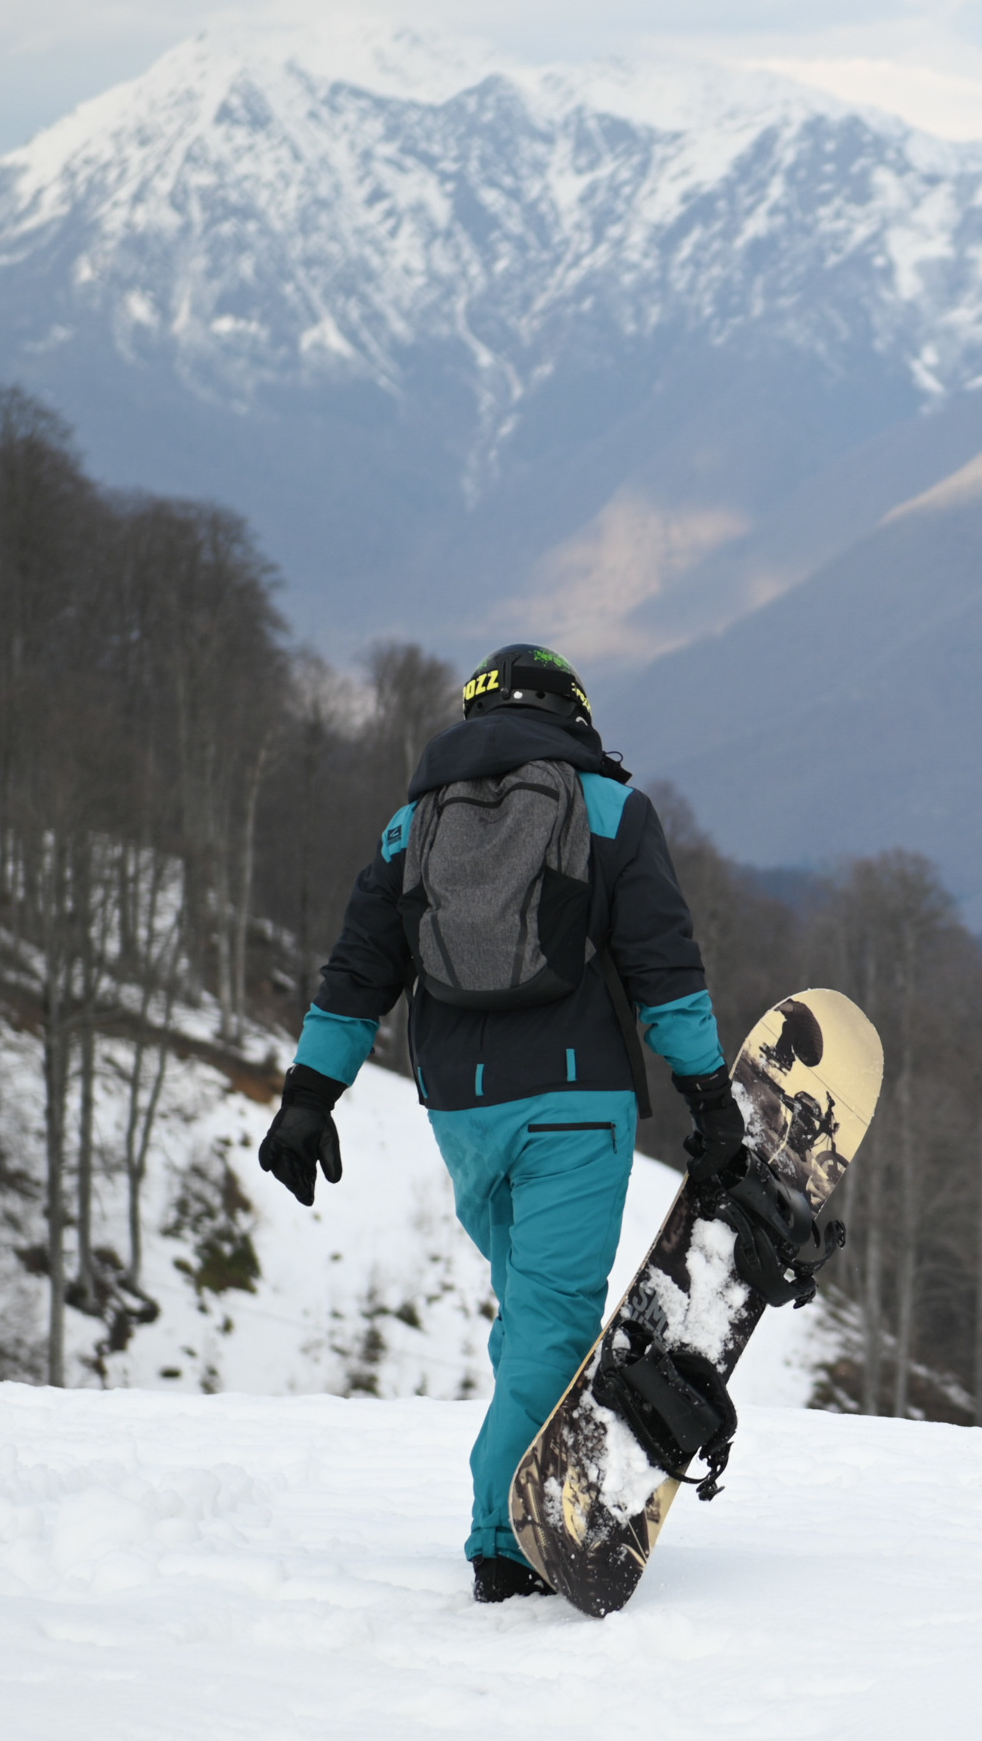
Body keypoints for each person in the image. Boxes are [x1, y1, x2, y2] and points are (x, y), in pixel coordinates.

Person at [251, 644, 745, 1602]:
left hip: (465, 1115)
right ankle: (507, 1537)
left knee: (530, 1317)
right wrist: (712, 1101)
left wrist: (310, 1098)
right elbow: (665, 970)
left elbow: (358, 975)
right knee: (552, 1323)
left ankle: (515, 1505)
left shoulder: (411, 828)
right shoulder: (609, 810)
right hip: (575, 1107)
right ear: (576, 716)